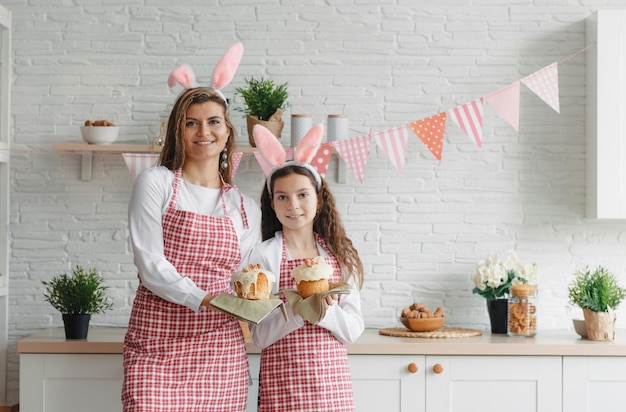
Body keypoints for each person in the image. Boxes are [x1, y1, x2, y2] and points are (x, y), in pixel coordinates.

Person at [122, 43, 262, 411]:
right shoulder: (156, 183)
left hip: (220, 349)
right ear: (178, 131)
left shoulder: (244, 207)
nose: (204, 131)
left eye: (214, 121)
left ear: (228, 132)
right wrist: (203, 298)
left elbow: (247, 279)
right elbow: (150, 264)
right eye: (191, 122)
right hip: (158, 342)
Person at [247, 124, 365, 412]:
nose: (293, 205)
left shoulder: (337, 254)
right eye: (282, 196)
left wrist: (325, 311)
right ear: (271, 203)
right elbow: (259, 336)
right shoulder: (264, 256)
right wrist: (298, 313)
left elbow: (352, 330)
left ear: (318, 199)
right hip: (282, 386)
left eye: (303, 195)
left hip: (331, 388)